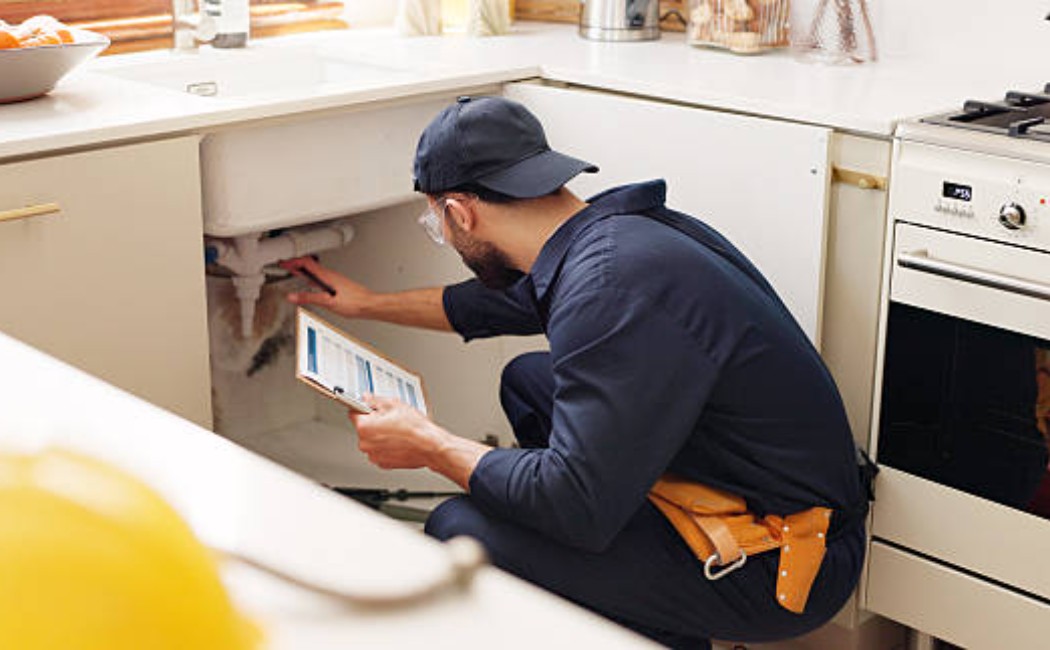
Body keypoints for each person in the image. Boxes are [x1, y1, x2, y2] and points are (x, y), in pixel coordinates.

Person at [281, 96, 869, 649]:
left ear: (461, 212)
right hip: (749, 488)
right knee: (531, 383)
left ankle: (661, 621)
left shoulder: (610, 285)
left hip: (785, 559)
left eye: (438, 224)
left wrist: (431, 445)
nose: (444, 235)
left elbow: (574, 504)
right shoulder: (612, 235)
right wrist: (366, 304)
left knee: (460, 525)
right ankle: (637, 611)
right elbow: (486, 307)